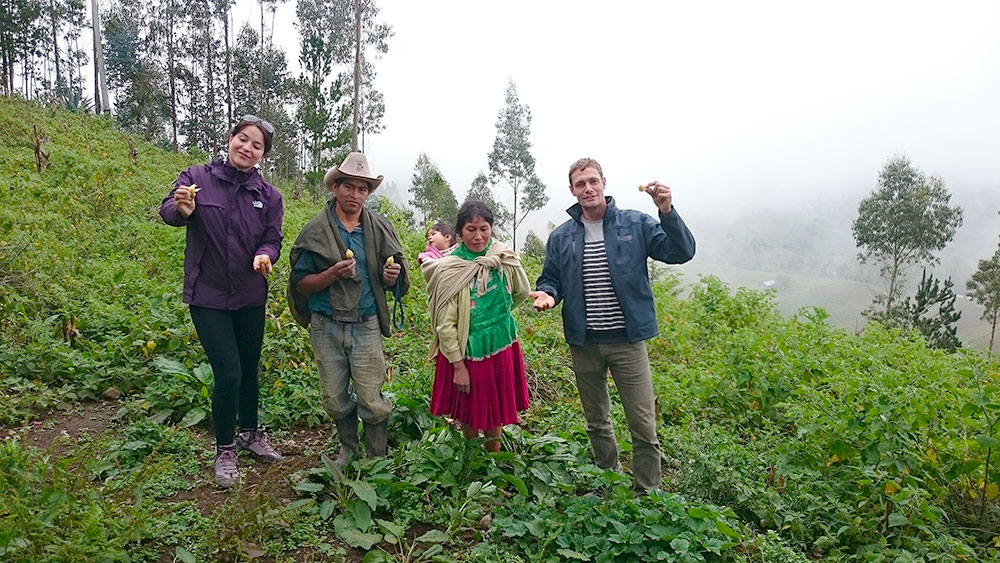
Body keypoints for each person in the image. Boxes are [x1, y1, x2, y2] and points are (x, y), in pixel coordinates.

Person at [529, 157, 695, 493]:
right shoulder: (562, 237)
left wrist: (667, 211)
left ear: (603, 182)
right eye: (580, 184)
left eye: (592, 181)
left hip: (627, 342)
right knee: (597, 421)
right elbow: (551, 278)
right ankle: (607, 478)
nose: (587, 188)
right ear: (572, 190)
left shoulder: (636, 224)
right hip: (584, 341)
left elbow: (681, 252)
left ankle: (648, 492)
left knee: (643, 423)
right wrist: (548, 294)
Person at [159, 114, 285, 488]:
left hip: (249, 294)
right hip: (208, 295)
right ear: (230, 139)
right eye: (242, 139)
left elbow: (273, 239)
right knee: (228, 372)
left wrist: (266, 255)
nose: (247, 147)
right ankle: (225, 448)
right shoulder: (197, 178)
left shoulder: (269, 196)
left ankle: (251, 433)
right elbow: (169, 209)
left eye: (257, 145)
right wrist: (182, 210)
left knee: (249, 367)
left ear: (263, 154)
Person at [287, 152, 409, 466]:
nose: (355, 195)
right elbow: (300, 283)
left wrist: (390, 276)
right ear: (336, 188)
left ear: (368, 193)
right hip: (326, 323)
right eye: (349, 187)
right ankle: (348, 449)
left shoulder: (380, 228)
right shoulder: (315, 230)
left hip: (365, 322)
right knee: (334, 395)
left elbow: (397, 279)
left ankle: (376, 457)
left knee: (371, 395)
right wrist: (331, 275)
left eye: (362, 189)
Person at [422, 200, 530, 452]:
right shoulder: (450, 268)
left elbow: (521, 291)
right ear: (459, 232)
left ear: (491, 228)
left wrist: (497, 317)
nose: (478, 236)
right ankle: (473, 457)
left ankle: (493, 457)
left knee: (496, 407)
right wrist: (458, 366)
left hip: (500, 341)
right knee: (468, 407)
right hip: (466, 349)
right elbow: (445, 325)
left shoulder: (501, 256)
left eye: (484, 228)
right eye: (471, 229)